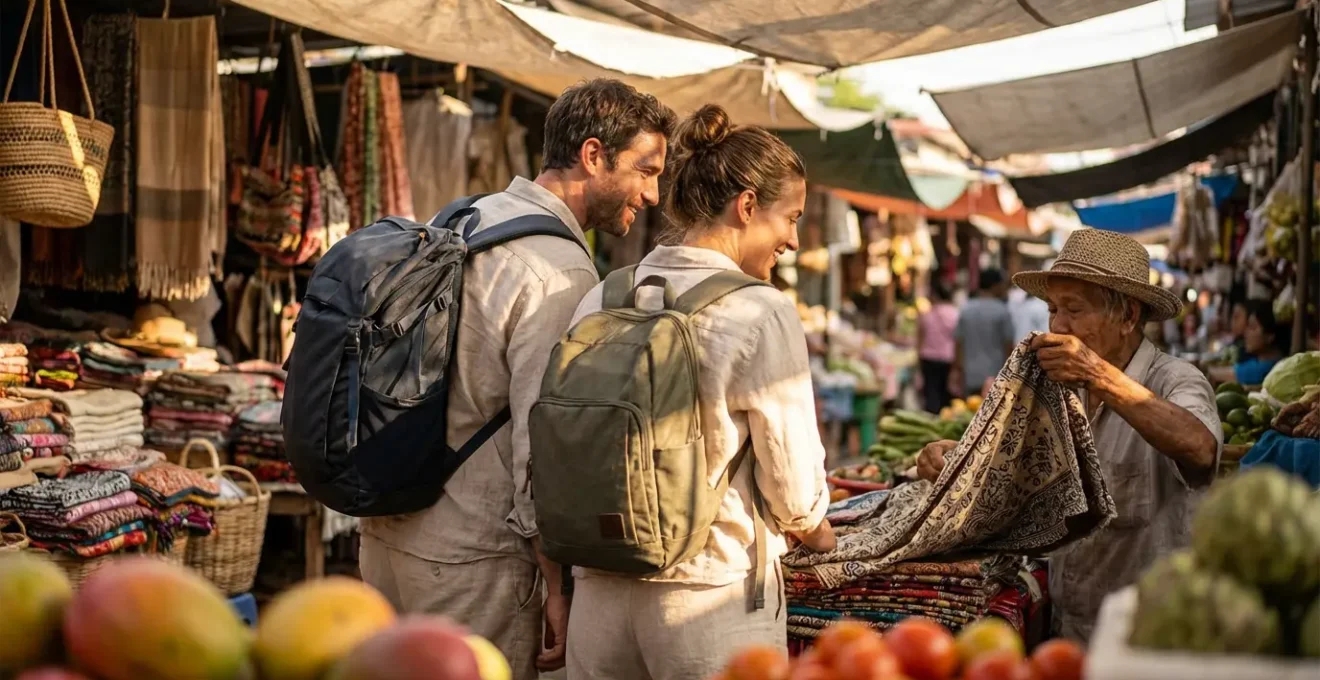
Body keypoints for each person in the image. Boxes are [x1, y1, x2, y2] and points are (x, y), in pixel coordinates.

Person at [357, 79, 676, 680]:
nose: (653, 194)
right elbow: (543, 442)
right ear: (591, 155)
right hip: (471, 563)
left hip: (387, 530)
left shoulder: (464, 216)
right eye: (646, 169)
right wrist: (554, 584)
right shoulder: (558, 271)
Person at [564, 105, 835, 680]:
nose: (792, 237)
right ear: (747, 206)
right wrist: (818, 530)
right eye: (791, 217)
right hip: (708, 593)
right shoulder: (759, 309)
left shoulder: (604, 295)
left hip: (599, 586)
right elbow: (791, 483)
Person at [916, 229, 1220, 642]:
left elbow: (1201, 448)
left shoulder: (1175, 380)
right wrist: (961, 460)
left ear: (1128, 316)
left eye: (1074, 309)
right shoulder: (1058, 388)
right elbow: (1021, 477)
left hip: (1148, 640)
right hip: (1068, 629)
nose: (1058, 325)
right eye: (1053, 308)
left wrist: (1100, 376)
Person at [952, 269, 1015, 397]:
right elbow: (1008, 345)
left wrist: (958, 369)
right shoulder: (1002, 311)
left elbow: (958, 342)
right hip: (995, 375)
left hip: (969, 374)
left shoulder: (966, 309)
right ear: (995, 285)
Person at [1209, 301, 1287, 385]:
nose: (1246, 333)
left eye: (1252, 327)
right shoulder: (1259, 362)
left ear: (1270, 336)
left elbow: (1215, 374)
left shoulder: (1266, 369)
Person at [917, 282, 959, 412]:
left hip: (929, 358)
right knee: (946, 394)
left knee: (931, 393)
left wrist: (918, 358)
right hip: (948, 358)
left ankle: (930, 421)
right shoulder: (955, 314)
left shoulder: (928, 314)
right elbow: (958, 340)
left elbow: (920, 338)